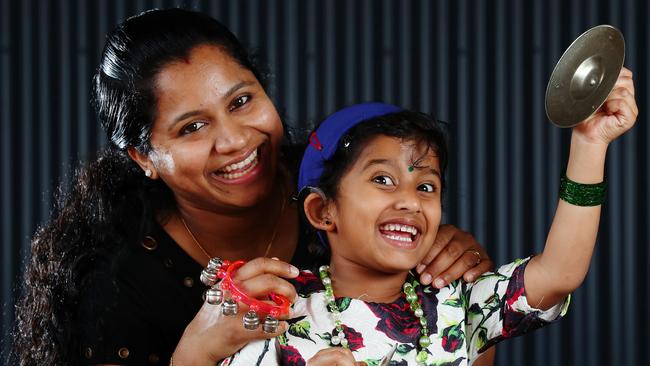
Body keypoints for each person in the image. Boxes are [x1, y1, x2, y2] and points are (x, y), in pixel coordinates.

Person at [10, 8, 495, 366]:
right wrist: (197, 350)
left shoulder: (343, 181)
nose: (236, 140)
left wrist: (456, 276)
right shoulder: (119, 286)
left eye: (242, 100)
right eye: (191, 128)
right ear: (144, 158)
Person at [222, 78, 637, 365]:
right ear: (322, 211)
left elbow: (560, 272)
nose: (409, 201)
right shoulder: (278, 314)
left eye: (426, 187)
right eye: (382, 179)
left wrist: (589, 143)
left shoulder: (458, 303)